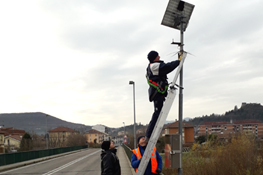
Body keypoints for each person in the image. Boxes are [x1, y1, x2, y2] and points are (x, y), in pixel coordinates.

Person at [145, 50, 181, 141]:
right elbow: (167, 67)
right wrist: (178, 61)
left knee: (158, 113)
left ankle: (149, 134)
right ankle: (148, 135)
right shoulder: (154, 66)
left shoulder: (151, 67)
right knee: (157, 114)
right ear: (154, 58)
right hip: (157, 93)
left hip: (157, 93)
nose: (159, 57)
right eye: (157, 56)